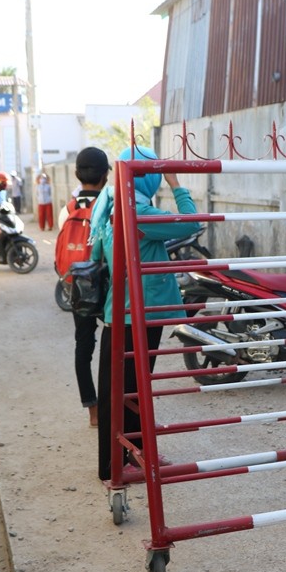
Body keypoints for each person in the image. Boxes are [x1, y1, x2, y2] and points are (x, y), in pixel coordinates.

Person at [88, 145, 201, 481]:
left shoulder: (110, 206)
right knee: (132, 391)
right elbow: (190, 221)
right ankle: (115, 464)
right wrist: (176, 182)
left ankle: (128, 456)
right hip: (140, 313)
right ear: (148, 177)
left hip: (116, 313)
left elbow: (97, 251)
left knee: (124, 390)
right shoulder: (141, 212)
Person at [57, 148, 112, 427]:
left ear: (78, 174)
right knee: (114, 346)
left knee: (83, 346)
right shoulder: (112, 206)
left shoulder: (66, 210)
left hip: (80, 286)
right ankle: (116, 404)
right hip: (110, 284)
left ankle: (93, 411)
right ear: (105, 175)